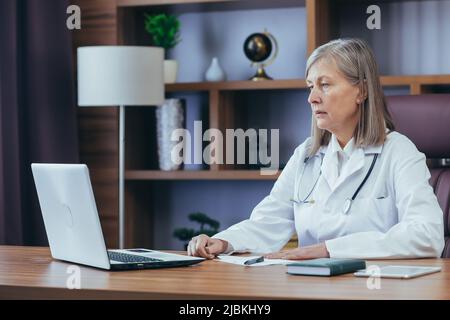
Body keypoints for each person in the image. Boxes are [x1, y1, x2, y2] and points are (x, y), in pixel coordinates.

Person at [187, 38, 445, 260]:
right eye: (311, 86)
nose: (312, 98)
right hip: (311, 285)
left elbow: (427, 235)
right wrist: (223, 242)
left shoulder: (398, 152)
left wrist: (330, 250)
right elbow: (268, 222)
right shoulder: (307, 155)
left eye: (325, 84)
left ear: (362, 91)